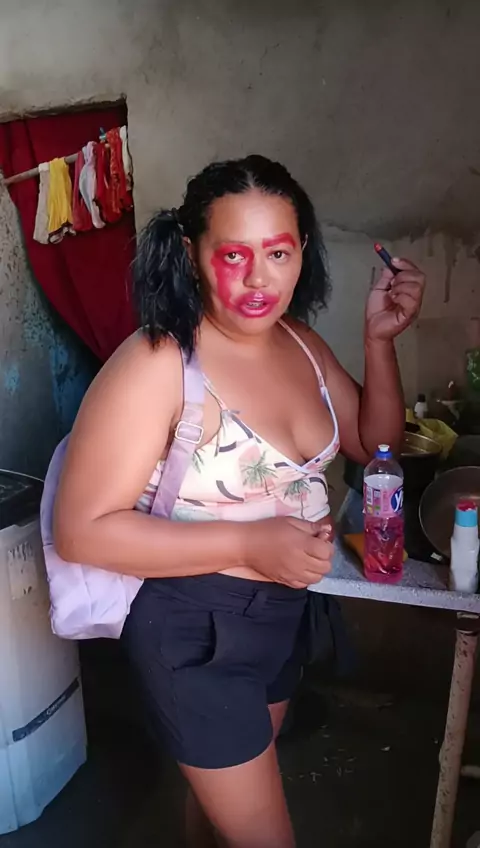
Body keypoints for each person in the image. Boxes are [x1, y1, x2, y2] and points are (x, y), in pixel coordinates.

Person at [54, 155, 425, 848]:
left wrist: (379, 342)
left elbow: (374, 443)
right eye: (234, 255)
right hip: (193, 627)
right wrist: (250, 543)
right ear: (191, 253)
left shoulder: (300, 344)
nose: (260, 279)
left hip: (282, 616)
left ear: (301, 251)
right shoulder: (159, 364)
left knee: (217, 812)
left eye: (278, 253)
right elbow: (81, 531)